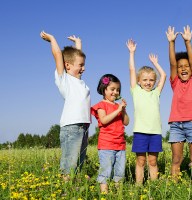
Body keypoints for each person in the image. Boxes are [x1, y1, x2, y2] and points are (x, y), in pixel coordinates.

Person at [40, 31, 90, 179]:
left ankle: (77, 183)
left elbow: (77, 57)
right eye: (80, 65)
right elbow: (57, 55)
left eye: (84, 65)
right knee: (70, 162)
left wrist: (78, 44)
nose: (84, 68)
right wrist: (52, 39)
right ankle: (66, 185)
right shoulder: (64, 80)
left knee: (80, 160)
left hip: (84, 126)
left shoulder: (79, 82)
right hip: (72, 126)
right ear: (67, 65)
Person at [166, 25, 192, 185]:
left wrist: (188, 42)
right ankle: (174, 187)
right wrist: (171, 43)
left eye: (186, 66)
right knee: (176, 159)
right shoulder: (175, 82)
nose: (183, 68)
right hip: (176, 125)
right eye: (180, 66)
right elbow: (172, 65)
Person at [126, 39, 167, 185]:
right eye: (144, 80)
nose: (148, 82)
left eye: (151, 80)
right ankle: (138, 186)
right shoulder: (136, 91)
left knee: (153, 161)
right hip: (140, 132)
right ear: (138, 81)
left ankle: (154, 186)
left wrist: (155, 64)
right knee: (141, 160)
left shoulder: (156, 93)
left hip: (155, 132)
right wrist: (132, 53)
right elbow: (132, 70)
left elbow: (163, 76)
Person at [91, 74, 129, 193]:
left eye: (118, 90)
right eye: (112, 89)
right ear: (104, 89)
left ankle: (118, 193)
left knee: (120, 171)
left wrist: (123, 111)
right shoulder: (101, 105)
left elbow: (126, 122)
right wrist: (117, 110)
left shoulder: (118, 106)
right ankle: (104, 193)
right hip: (106, 145)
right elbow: (103, 120)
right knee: (106, 170)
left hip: (120, 144)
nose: (115, 92)